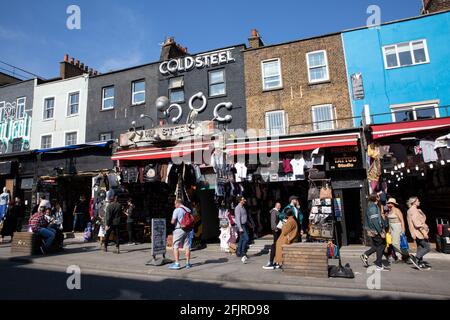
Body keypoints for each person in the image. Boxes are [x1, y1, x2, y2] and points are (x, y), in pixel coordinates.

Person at [360, 193, 390, 271]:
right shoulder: (372, 207)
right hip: (375, 230)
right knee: (381, 245)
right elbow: (374, 221)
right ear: (376, 198)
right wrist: (380, 232)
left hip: (374, 230)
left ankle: (365, 255)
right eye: (378, 196)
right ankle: (378, 264)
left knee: (377, 246)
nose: (380, 197)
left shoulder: (373, 205)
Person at [407, 197, 431, 270]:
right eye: (418, 201)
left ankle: (419, 262)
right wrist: (424, 233)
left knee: (420, 247)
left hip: (414, 232)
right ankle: (416, 258)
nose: (419, 202)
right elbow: (417, 223)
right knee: (427, 247)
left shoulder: (410, 210)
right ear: (414, 202)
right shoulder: (414, 211)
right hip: (419, 232)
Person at [169, 199, 193, 270]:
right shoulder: (188, 210)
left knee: (175, 246)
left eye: (174, 204)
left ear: (178, 203)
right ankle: (188, 263)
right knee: (187, 246)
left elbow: (173, 222)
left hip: (179, 229)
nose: (174, 205)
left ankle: (177, 263)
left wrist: (173, 221)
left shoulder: (177, 210)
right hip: (187, 229)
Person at [263, 202, 282, 270]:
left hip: (277, 229)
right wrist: (275, 228)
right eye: (278, 205)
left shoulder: (276, 211)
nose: (280, 207)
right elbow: (273, 221)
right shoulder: (274, 212)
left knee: (276, 243)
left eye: (280, 205)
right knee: (275, 243)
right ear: (276, 206)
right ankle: (272, 261)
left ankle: (276, 261)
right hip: (276, 230)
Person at [235, 196, 249, 264]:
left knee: (242, 239)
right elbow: (237, 218)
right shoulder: (238, 208)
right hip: (241, 226)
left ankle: (238, 252)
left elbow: (245, 216)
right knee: (246, 238)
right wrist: (240, 228)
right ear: (240, 201)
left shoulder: (243, 207)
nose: (245, 200)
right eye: (243, 199)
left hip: (244, 225)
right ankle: (243, 252)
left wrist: (249, 224)